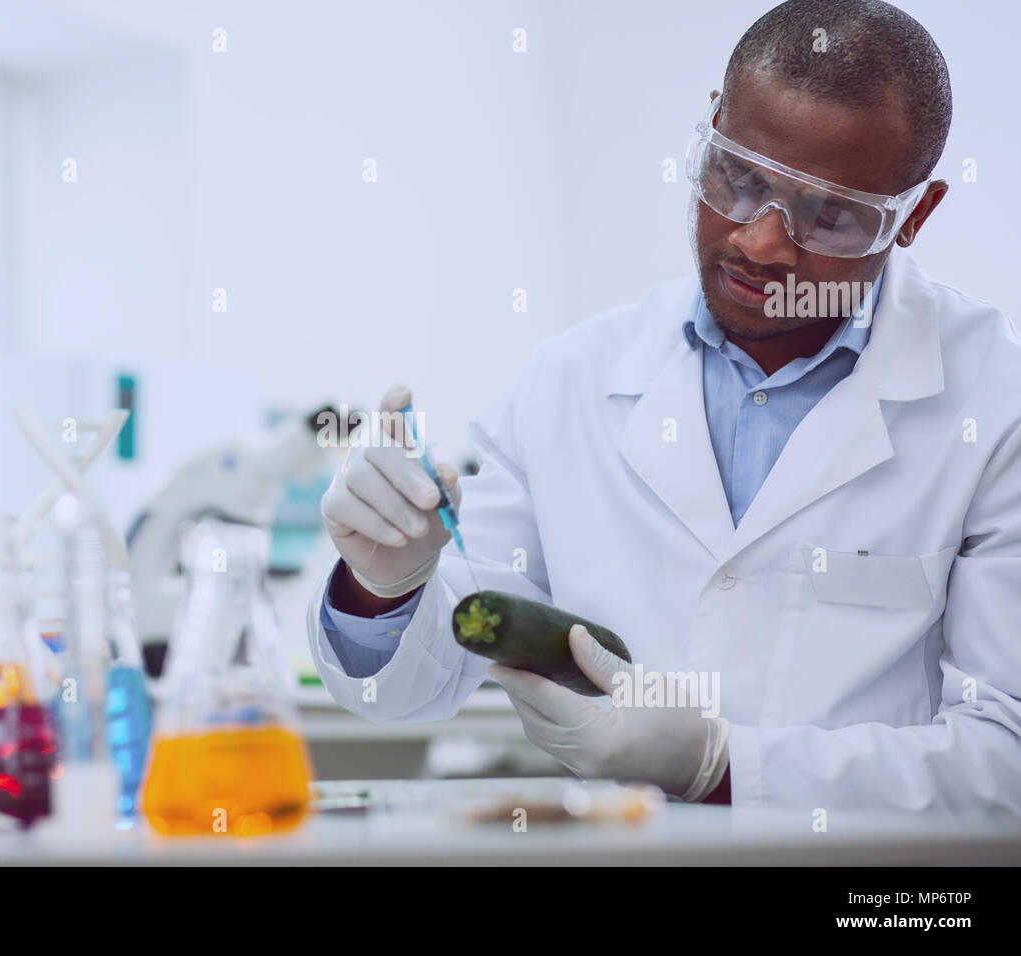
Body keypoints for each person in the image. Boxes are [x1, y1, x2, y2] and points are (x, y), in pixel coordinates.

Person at [308, 0, 1021, 811]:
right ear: (712, 127)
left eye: (830, 215)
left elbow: (1009, 754)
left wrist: (726, 767)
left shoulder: (996, 408)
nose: (760, 242)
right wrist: (384, 587)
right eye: (740, 178)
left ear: (913, 217)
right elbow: (417, 685)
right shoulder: (571, 382)